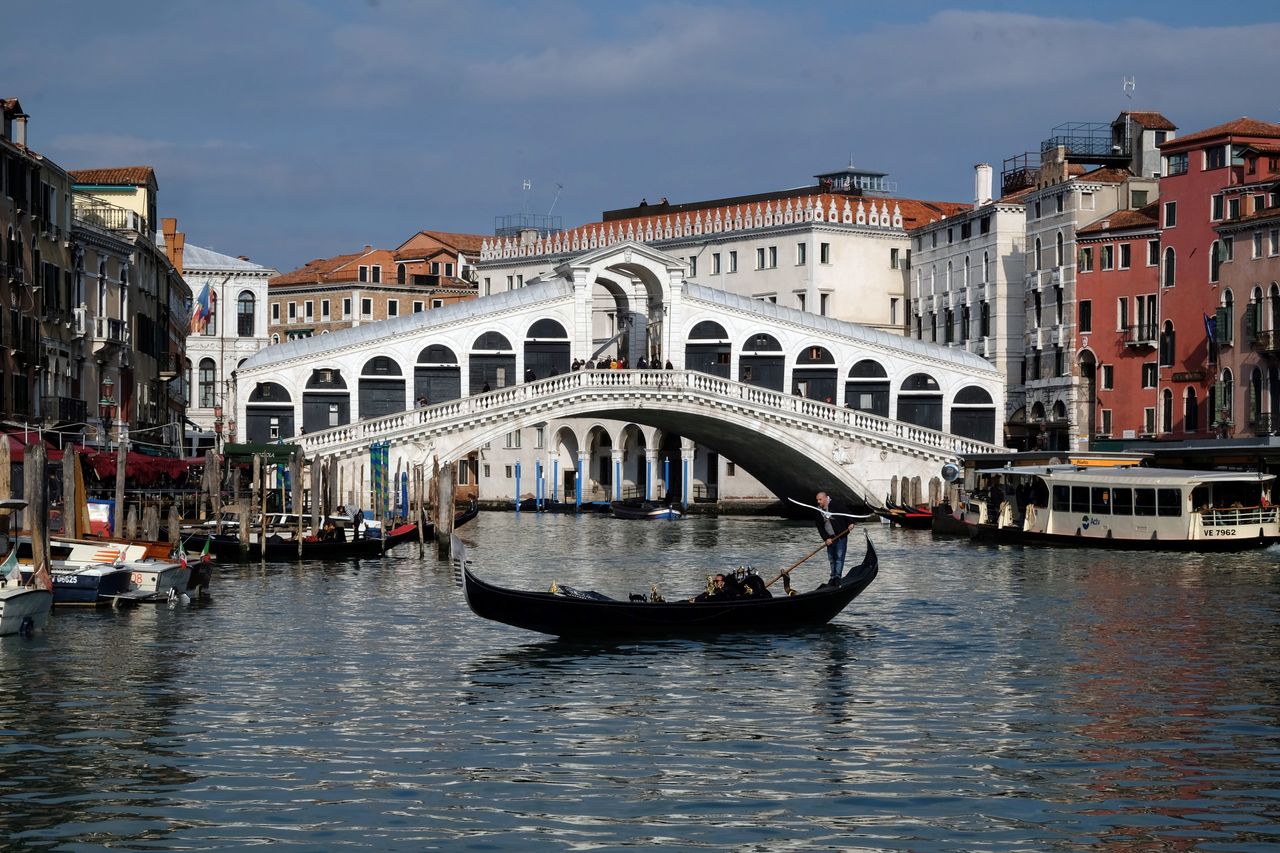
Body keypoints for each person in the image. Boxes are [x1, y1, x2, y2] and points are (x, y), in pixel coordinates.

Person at [814, 491, 853, 585]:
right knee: (832, 558)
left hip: (840, 536)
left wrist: (850, 523)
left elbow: (846, 513)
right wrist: (826, 538)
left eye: (820, 499)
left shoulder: (836, 504)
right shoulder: (819, 510)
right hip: (830, 538)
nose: (818, 502)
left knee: (839, 557)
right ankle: (832, 576)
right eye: (817, 500)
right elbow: (820, 526)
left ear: (825, 498)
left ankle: (837, 577)